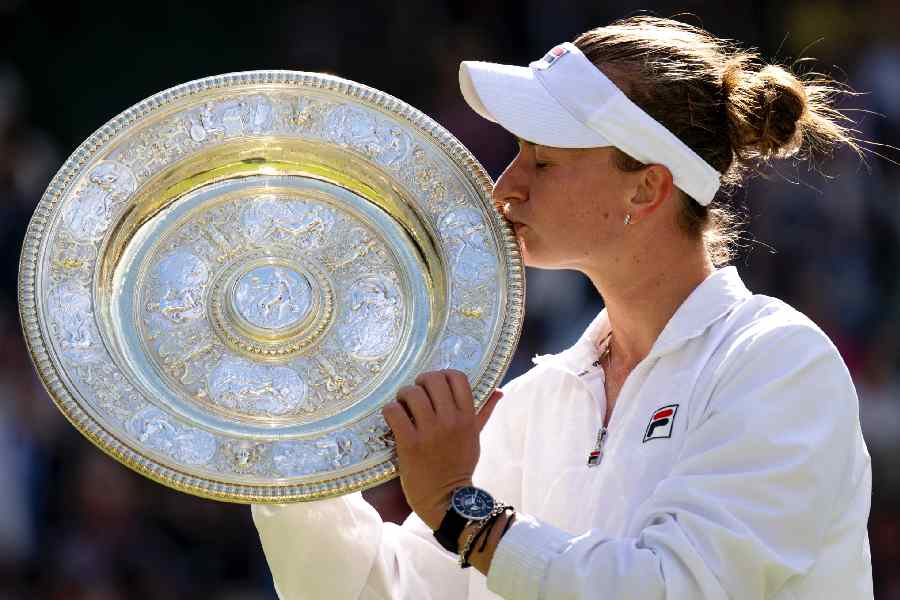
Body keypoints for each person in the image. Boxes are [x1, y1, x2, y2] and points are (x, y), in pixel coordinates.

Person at [252, 15, 874, 599]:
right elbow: (386, 589)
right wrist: (289, 445)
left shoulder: (779, 362)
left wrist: (455, 507)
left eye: (543, 161)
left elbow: (668, 587)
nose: (506, 186)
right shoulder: (540, 396)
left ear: (648, 187)